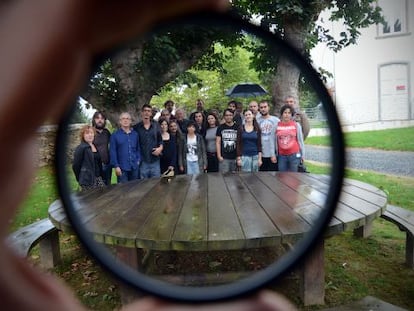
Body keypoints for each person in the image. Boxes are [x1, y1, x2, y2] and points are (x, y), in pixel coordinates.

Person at [0, 1, 298, 310]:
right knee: (142, 195)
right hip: (145, 165)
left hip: (180, 162)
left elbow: (179, 143)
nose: (197, 118)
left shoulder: (179, 129)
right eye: (129, 118)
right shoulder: (143, 130)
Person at [134, 104, 163, 179]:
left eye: (148, 111)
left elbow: (160, 140)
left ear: (151, 113)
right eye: (145, 111)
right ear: (142, 113)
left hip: (155, 161)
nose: (146, 113)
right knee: (143, 185)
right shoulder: (136, 128)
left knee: (156, 185)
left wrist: (160, 148)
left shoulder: (156, 125)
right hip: (143, 161)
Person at [110, 112, 141, 183]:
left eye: (127, 118)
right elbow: (113, 151)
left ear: (130, 121)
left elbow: (138, 149)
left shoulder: (135, 134)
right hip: (122, 168)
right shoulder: (115, 135)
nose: (125, 120)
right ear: (120, 121)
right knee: (123, 191)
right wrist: (116, 166)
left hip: (134, 167)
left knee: (135, 188)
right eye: (123, 119)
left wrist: (138, 160)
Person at [72, 125, 105, 191]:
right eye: (87, 133)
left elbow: (98, 163)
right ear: (83, 135)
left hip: (98, 178)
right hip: (87, 180)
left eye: (91, 133)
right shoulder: (81, 148)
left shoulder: (94, 146)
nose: (90, 135)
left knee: (102, 198)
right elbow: (76, 165)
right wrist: (81, 178)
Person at [275, 105, 305, 172]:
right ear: (282, 114)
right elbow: (273, 141)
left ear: (291, 115)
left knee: (294, 177)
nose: (287, 115)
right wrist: (273, 154)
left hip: (294, 155)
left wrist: (303, 155)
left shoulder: (296, 125)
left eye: (289, 113)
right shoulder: (277, 125)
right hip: (282, 156)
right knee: (282, 176)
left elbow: (300, 141)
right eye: (285, 112)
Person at [257, 100, 280, 172]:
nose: (263, 109)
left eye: (265, 107)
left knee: (273, 176)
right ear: (259, 109)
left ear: (268, 108)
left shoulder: (276, 120)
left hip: (273, 153)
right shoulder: (256, 121)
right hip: (261, 154)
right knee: (262, 177)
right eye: (261, 107)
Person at [92, 111, 112, 185]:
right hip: (95, 166)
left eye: (102, 118)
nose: (100, 120)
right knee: (97, 189)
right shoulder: (91, 132)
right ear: (94, 120)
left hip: (107, 165)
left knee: (108, 186)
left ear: (104, 120)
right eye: (97, 118)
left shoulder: (106, 132)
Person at [216, 109, 239, 173]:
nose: (228, 117)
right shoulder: (220, 127)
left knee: (235, 179)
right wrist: (219, 156)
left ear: (233, 116)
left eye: (230, 115)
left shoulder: (238, 127)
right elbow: (218, 142)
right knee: (223, 178)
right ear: (224, 116)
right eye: (226, 115)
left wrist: (239, 156)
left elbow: (240, 143)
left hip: (235, 157)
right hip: (224, 158)